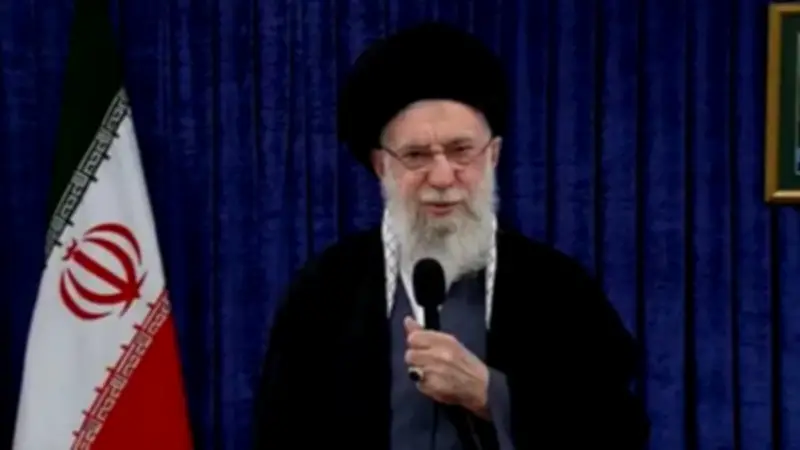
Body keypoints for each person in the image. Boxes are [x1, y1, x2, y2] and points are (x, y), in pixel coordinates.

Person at [251, 22, 649, 450]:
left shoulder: (557, 287)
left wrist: (489, 394)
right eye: (416, 155)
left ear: (493, 155)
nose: (442, 177)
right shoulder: (325, 290)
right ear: (382, 166)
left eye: (461, 151)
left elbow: (619, 431)